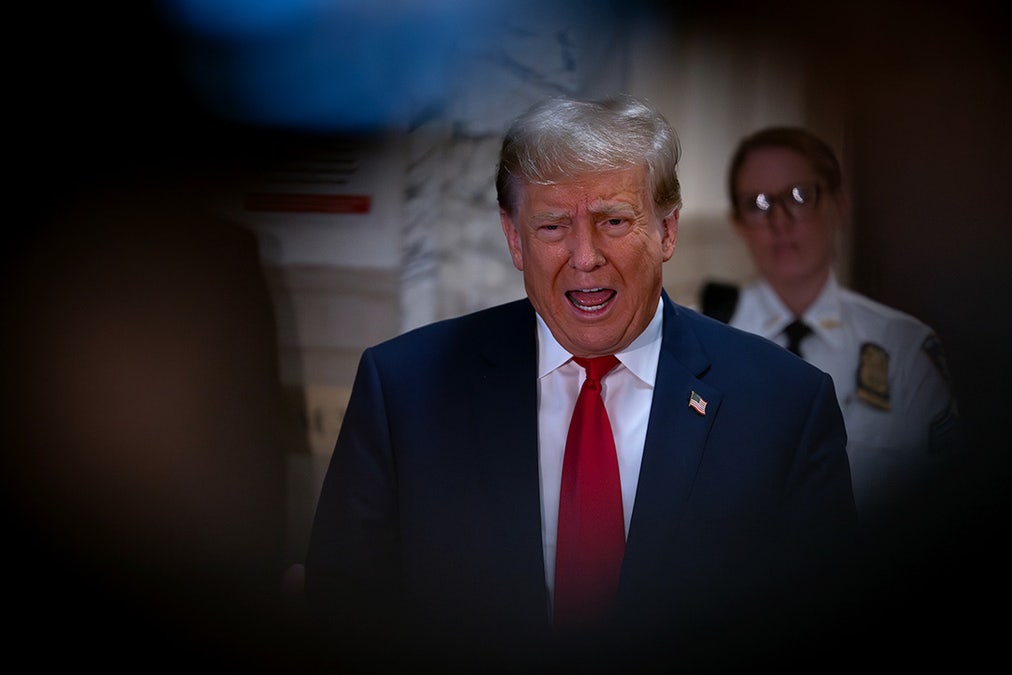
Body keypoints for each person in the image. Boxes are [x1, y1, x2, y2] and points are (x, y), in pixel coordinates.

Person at [303, 94, 858, 671]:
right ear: (515, 239)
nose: (585, 257)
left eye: (614, 221)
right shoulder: (403, 390)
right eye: (552, 225)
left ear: (667, 230)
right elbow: (343, 617)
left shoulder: (786, 406)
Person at [699, 126, 962, 528]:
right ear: (738, 222)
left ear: (839, 204)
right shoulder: (704, 349)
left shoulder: (904, 348)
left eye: (800, 196)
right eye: (759, 203)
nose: (780, 221)